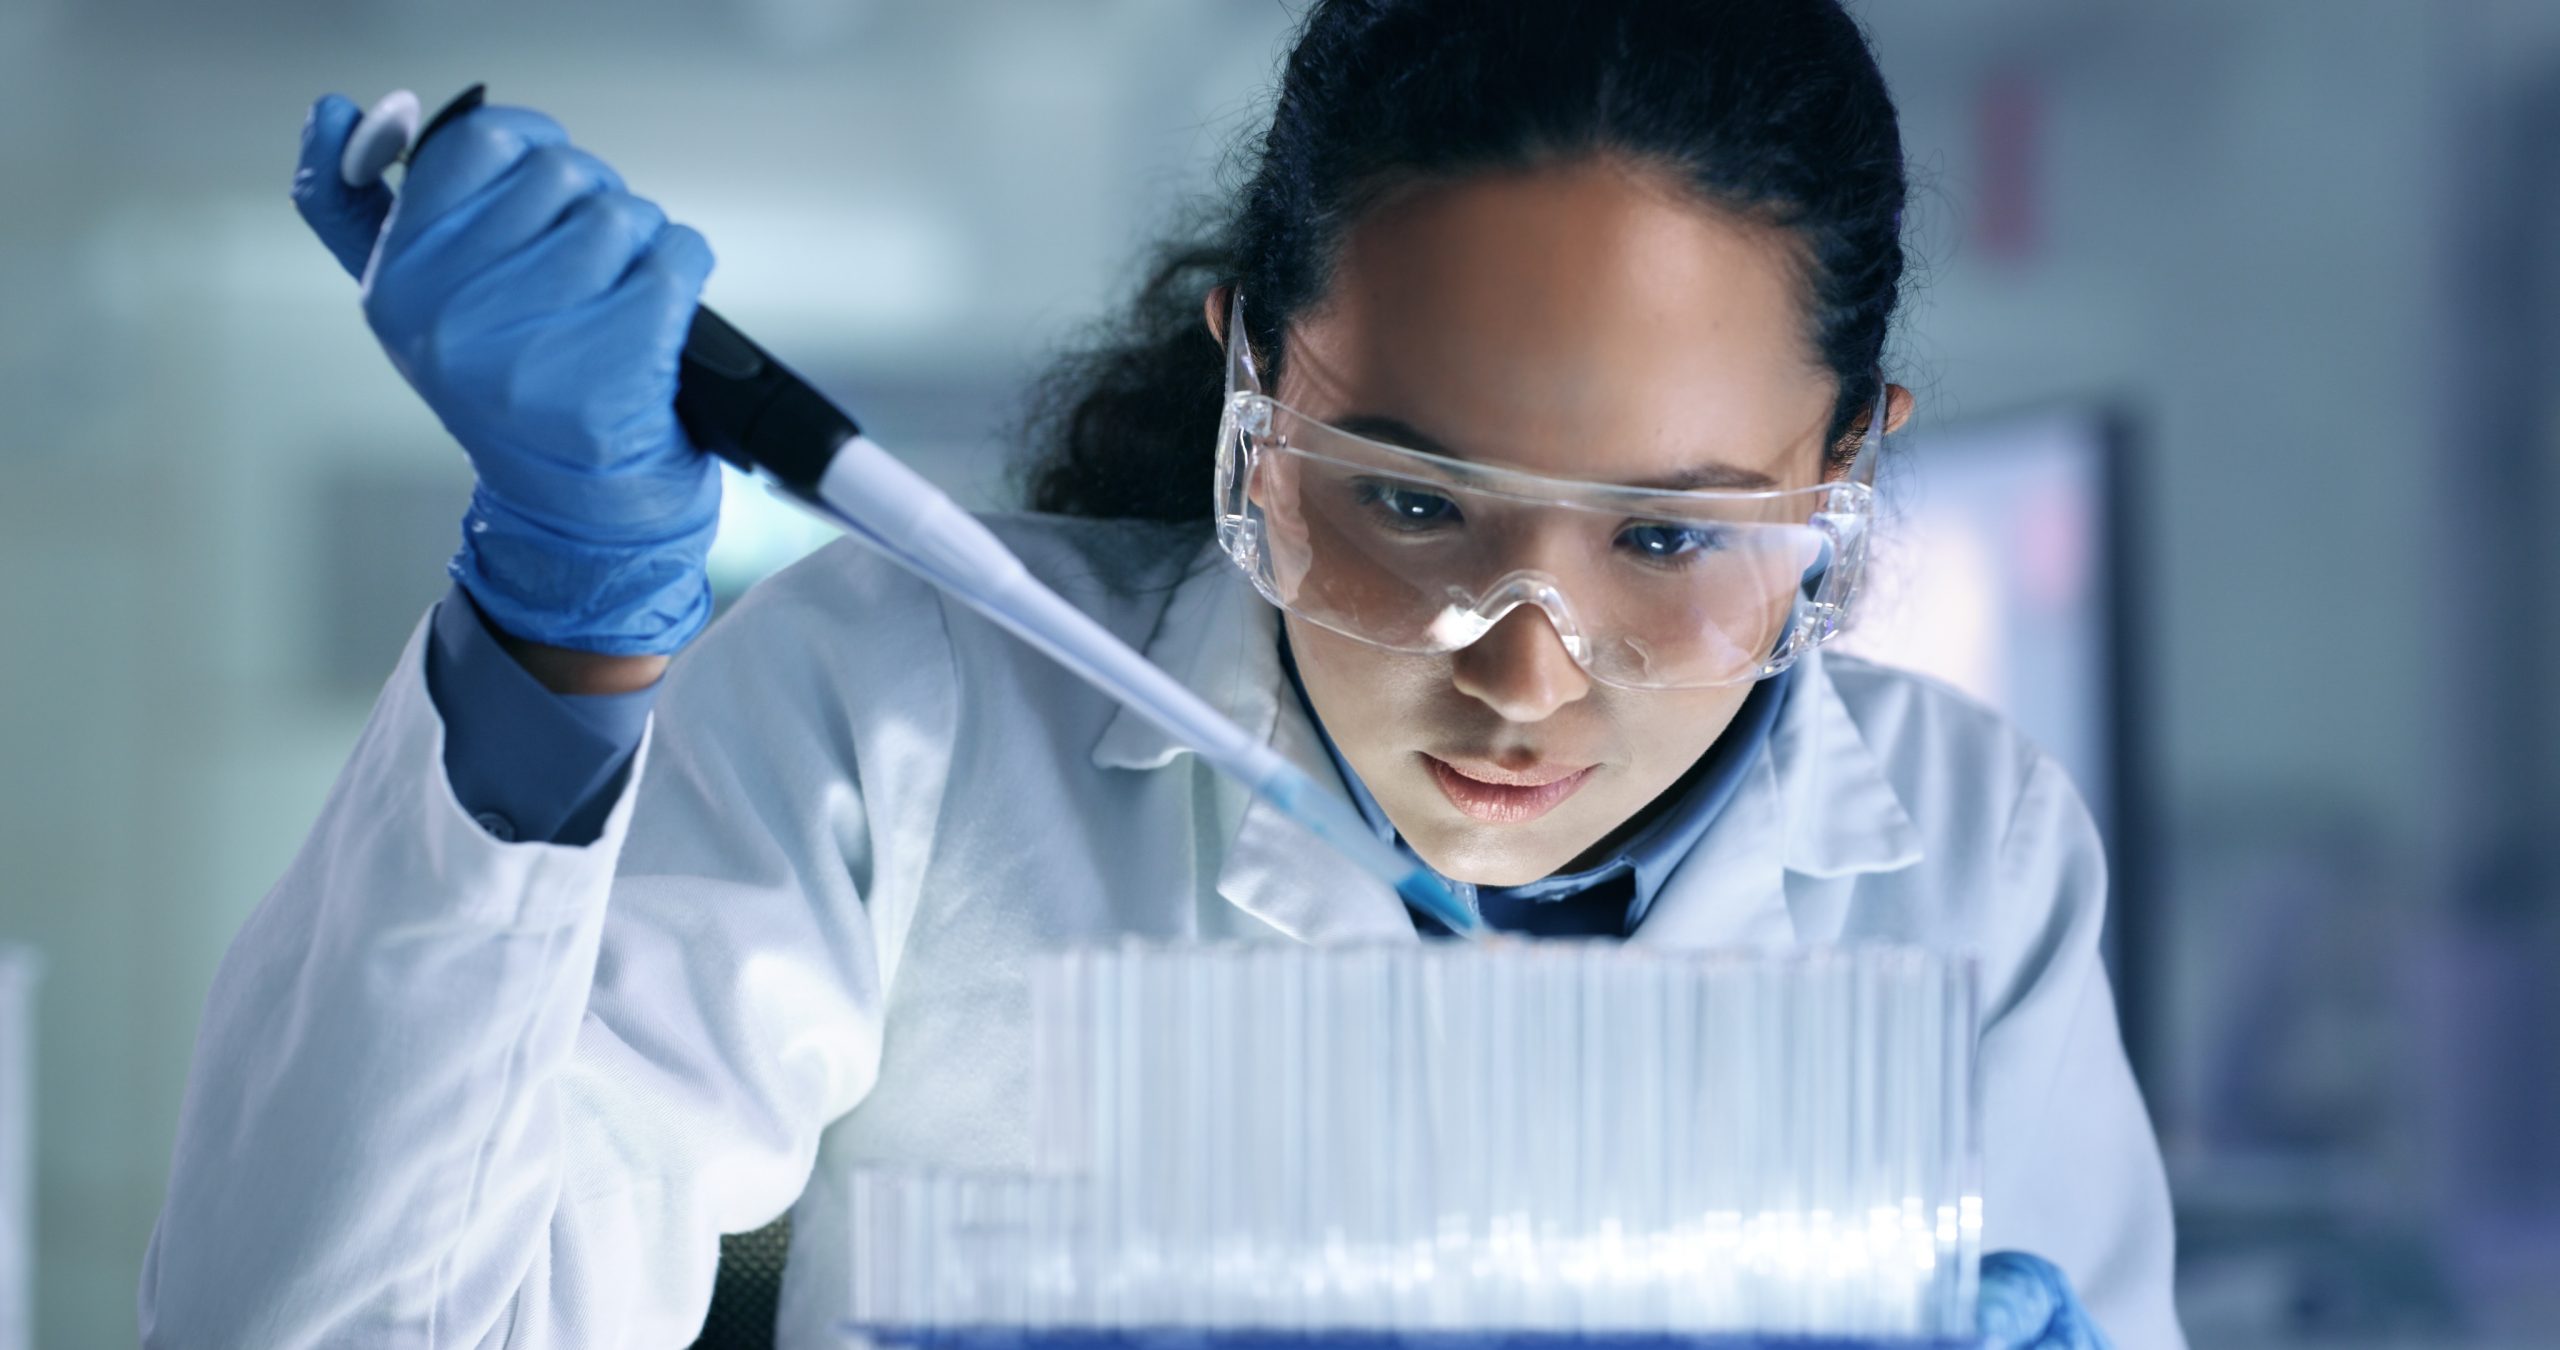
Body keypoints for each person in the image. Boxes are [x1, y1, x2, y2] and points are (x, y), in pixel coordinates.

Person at [142, 2, 2179, 1346]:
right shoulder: (908, 714)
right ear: (1255, 387)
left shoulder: (1965, 851)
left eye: (1664, 540)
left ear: (1844, 474)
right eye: (1406, 507)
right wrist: (554, 640)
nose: (1521, 684)